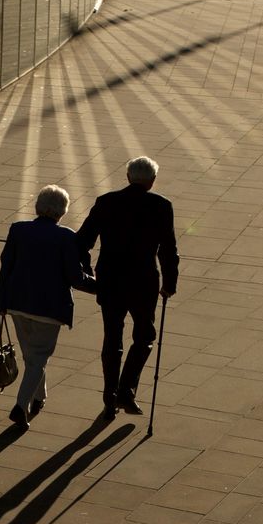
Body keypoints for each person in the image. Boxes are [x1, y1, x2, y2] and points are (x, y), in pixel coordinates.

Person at [76, 156, 180, 416]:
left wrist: (87, 271)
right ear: (152, 180)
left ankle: (109, 396)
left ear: (128, 177)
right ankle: (126, 390)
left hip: (110, 280)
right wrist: (169, 283)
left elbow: (82, 241)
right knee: (144, 336)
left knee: (112, 337)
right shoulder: (161, 206)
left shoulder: (106, 202)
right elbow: (168, 249)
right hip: (143, 282)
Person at [0, 184, 96, 427]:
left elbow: (5, 266)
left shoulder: (18, 230)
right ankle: (21, 406)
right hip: (49, 309)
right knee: (38, 359)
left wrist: (1, 300)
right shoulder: (66, 237)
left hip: (17, 303)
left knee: (33, 356)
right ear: (62, 212)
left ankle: (39, 396)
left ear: (38, 206)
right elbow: (74, 278)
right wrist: (101, 287)